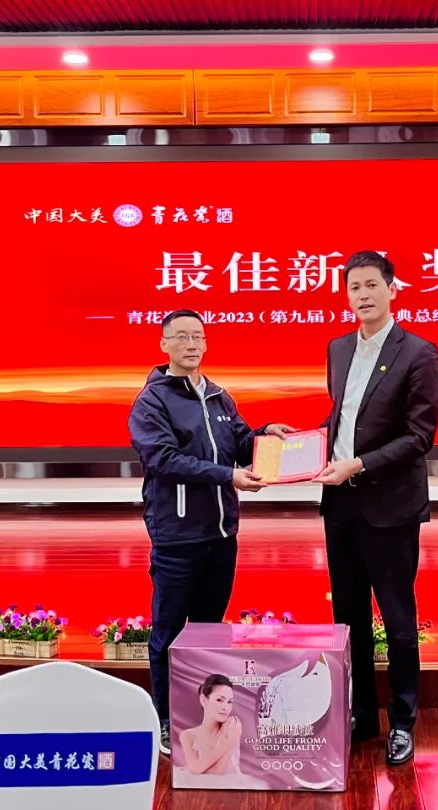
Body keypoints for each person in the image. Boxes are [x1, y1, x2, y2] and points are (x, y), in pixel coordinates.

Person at [128, 309, 292, 756]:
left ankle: (199, 714)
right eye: (181, 337)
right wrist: (227, 476)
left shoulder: (219, 396)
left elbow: (237, 443)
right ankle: (166, 718)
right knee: (168, 633)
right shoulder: (151, 402)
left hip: (221, 536)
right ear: (164, 344)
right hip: (177, 537)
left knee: (208, 631)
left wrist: (264, 436)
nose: (191, 344)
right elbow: (163, 459)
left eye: (197, 336)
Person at [314, 250, 438, 766]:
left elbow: (420, 436)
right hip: (340, 504)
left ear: (392, 289)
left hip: (389, 506)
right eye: (354, 287)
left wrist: (360, 463)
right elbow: (343, 418)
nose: (362, 295)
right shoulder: (339, 347)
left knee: (397, 616)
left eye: (371, 285)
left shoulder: (418, 352)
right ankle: (362, 715)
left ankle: (403, 721)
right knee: (348, 617)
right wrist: (302, 448)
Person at [179, 675, 242, 778]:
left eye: (229, 702)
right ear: (203, 700)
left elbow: (219, 773)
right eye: (219, 700)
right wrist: (230, 741)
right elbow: (196, 768)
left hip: (230, 784)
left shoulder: (232, 724)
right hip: (197, 785)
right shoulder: (187, 735)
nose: (226, 708)